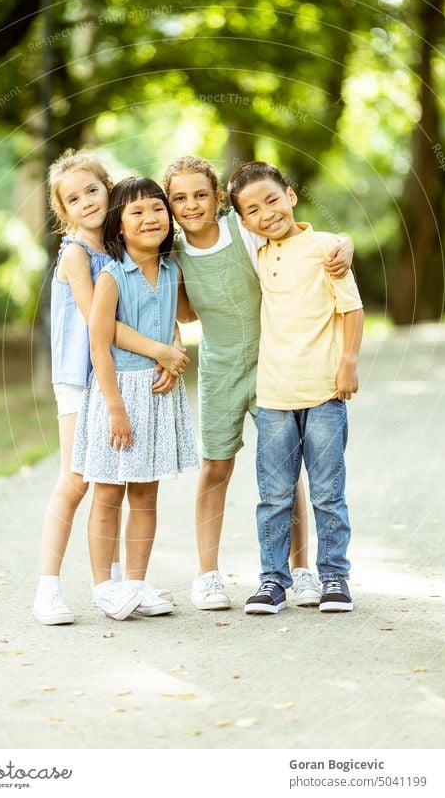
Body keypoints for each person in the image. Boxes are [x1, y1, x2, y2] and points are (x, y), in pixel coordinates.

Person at [163, 156, 354, 611]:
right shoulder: (172, 251)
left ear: (220, 200)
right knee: (216, 466)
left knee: (287, 474)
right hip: (221, 369)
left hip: (274, 364)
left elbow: (297, 235)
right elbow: (183, 311)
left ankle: (301, 569)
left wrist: (344, 241)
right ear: (169, 204)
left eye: (201, 195)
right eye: (179, 198)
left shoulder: (243, 229)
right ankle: (207, 575)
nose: (192, 205)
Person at [33, 151, 190, 625]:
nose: (86, 202)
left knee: (128, 478)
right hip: (81, 379)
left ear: (109, 189)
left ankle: (124, 585)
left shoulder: (125, 248)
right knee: (79, 479)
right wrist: (164, 351)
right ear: (64, 211)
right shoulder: (79, 253)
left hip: (123, 376)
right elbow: (98, 324)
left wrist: (170, 346)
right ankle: (49, 588)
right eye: (73, 198)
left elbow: (158, 307)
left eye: (92, 190)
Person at [228, 161, 363, 614]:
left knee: (327, 492)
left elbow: (352, 310)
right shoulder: (259, 253)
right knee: (274, 496)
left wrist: (348, 365)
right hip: (274, 397)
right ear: (244, 223)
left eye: (272, 199)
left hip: (325, 392)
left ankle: (335, 578)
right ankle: (271, 582)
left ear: (291, 195)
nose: (266, 213)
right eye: (253, 210)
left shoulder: (326, 248)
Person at [71, 177, 199, 620]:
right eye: (136, 212)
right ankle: (103, 587)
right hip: (119, 395)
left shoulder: (170, 272)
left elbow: (171, 324)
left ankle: (137, 582)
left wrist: (172, 355)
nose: (150, 218)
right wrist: (116, 409)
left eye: (158, 209)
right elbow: (98, 345)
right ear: (119, 225)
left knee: (146, 494)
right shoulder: (111, 275)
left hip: (158, 393)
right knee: (107, 492)